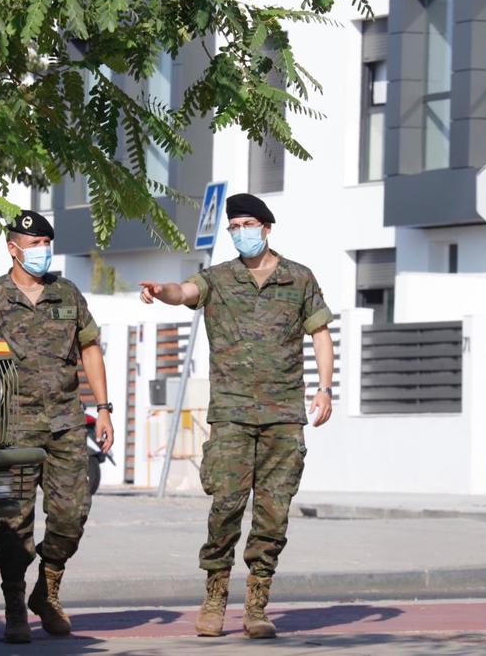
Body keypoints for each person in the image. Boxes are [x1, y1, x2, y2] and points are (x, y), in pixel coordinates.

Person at [139, 193, 335, 639]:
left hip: (284, 414)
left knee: (273, 513)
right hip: (230, 413)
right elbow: (185, 291)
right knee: (226, 504)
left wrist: (324, 390)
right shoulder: (219, 279)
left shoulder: (298, 279)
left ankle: (257, 604)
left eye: (248, 224)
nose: (241, 233)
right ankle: (214, 597)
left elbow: (320, 334)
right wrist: (160, 290)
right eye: (234, 227)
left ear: (266, 228)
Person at [0, 210, 115, 643]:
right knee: (15, 522)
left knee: (72, 514)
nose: (43, 251)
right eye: (34, 245)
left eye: (47, 243)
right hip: (12, 428)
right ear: (13, 249)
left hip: (67, 422)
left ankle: (47, 588)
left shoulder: (66, 294)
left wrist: (103, 408)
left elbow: (90, 348)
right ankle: (15, 603)